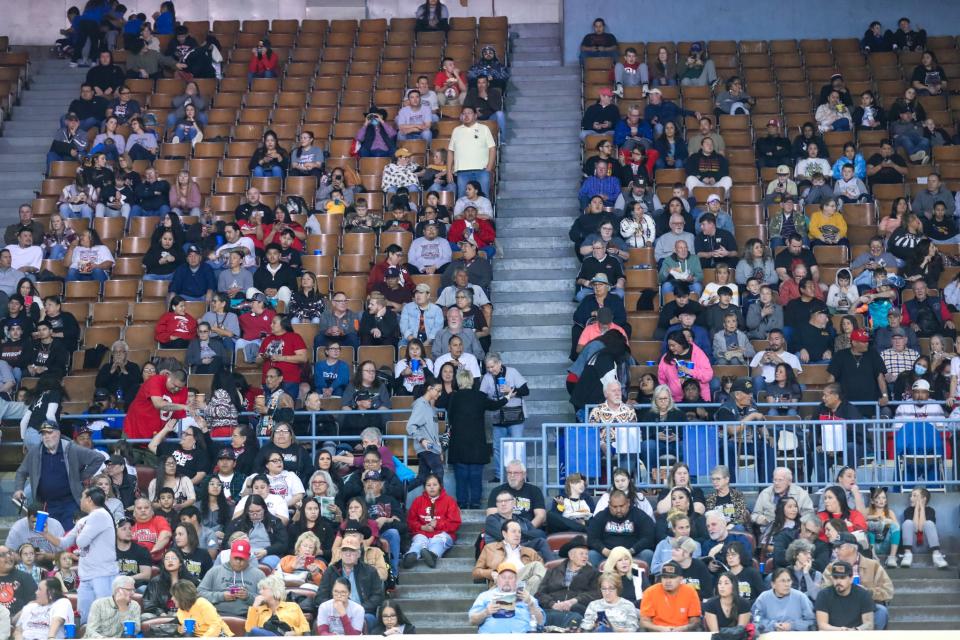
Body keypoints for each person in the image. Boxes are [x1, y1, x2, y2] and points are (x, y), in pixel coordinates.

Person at [13, 421, 103, 529]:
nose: (46, 436)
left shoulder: (71, 448)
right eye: (44, 434)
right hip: (44, 504)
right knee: (41, 534)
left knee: (69, 535)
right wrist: (19, 489)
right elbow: (21, 472)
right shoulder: (35, 452)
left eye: (49, 433)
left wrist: (80, 477)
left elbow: (98, 458)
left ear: (58, 433)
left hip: (70, 503)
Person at [447, 369, 509, 508]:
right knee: (476, 477)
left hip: (458, 442)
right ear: (472, 381)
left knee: (461, 477)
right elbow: (495, 405)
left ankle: (462, 503)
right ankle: (475, 502)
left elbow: (449, 417)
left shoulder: (454, 397)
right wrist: (507, 397)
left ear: (458, 381)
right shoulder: (480, 396)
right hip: (477, 443)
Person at [315, 532, 383, 630]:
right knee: (318, 622)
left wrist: (358, 609)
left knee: (365, 620)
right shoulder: (331, 570)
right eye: (344, 550)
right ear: (340, 553)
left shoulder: (370, 571)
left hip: (363, 611)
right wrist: (335, 609)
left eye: (352, 550)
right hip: (334, 613)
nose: (347, 554)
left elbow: (378, 596)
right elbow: (320, 597)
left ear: (359, 554)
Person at [536, 536, 600, 628]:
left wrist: (574, 601)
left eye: (586, 554)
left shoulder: (593, 573)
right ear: (571, 556)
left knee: (575, 618)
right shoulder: (553, 571)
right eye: (581, 553)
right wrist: (552, 604)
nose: (585, 556)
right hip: (552, 610)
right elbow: (539, 594)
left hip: (576, 611)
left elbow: (596, 594)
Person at [469, 560, 545, 633]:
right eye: (503, 577)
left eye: (511, 577)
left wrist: (530, 604)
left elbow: (541, 622)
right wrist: (486, 612)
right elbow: (472, 620)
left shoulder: (526, 596)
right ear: (498, 579)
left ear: (516, 580)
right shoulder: (485, 596)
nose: (507, 581)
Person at [403, 473, 461, 569]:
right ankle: (410, 556)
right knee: (419, 541)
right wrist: (422, 527)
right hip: (422, 532)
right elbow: (410, 521)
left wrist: (438, 524)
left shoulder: (449, 501)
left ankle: (432, 556)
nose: (432, 488)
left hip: (443, 533)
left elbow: (454, 523)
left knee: (438, 540)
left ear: (440, 486)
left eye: (435, 485)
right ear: (424, 487)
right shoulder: (418, 501)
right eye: (428, 485)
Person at [639, 560, 702, 631]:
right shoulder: (650, 592)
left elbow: (695, 620)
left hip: (683, 633)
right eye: (664, 577)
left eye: (672, 577)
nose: (668, 581)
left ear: (681, 579)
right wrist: (659, 629)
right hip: (657, 633)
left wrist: (683, 628)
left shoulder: (690, 592)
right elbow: (644, 622)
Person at [815, 560, 876, 630]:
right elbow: (822, 626)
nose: (838, 581)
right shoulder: (823, 595)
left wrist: (855, 630)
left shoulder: (863, 594)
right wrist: (840, 630)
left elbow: (869, 624)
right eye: (835, 577)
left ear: (851, 579)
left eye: (842, 578)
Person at [751, 567, 817, 632]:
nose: (787, 584)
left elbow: (812, 622)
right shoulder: (763, 598)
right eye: (782, 581)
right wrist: (774, 626)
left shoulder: (801, 597)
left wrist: (792, 626)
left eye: (789, 581)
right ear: (773, 584)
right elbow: (756, 621)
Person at [244, 573, 310, 636]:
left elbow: (305, 628)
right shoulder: (258, 609)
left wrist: (294, 633)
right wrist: (254, 607)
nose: (260, 592)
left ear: (274, 590)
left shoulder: (293, 606)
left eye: (263, 589)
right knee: (255, 630)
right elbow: (249, 631)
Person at [898, 486, 948, 568]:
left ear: (923, 499)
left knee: (929, 523)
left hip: (927, 546)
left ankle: (937, 556)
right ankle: (907, 555)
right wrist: (917, 508)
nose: (911, 498)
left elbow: (921, 528)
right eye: (911, 496)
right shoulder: (908, 510)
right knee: (907, 523)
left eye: (914, 496)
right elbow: (916, 528)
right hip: (912, 546)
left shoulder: (930, 510)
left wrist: (921, 508)